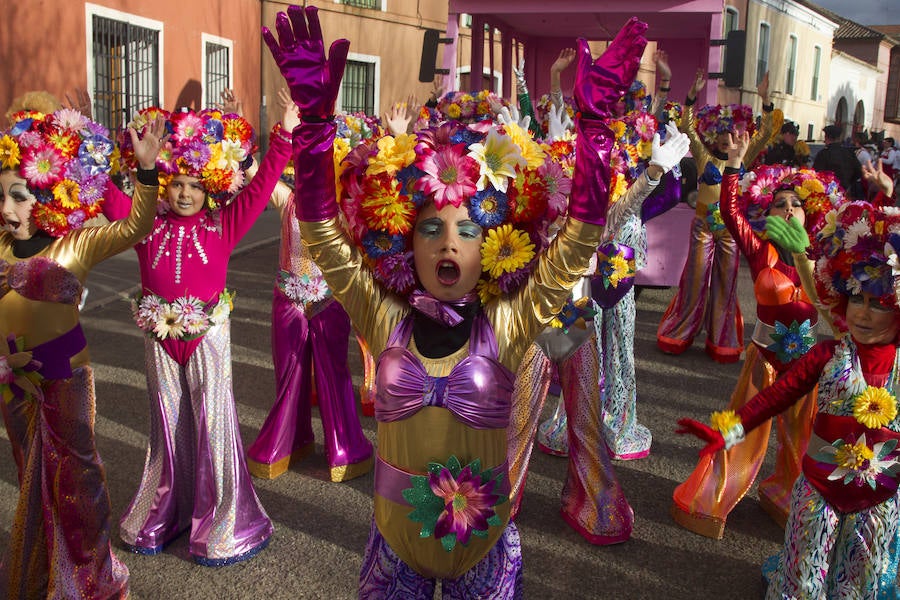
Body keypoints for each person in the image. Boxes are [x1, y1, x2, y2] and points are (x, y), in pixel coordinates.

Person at [263, 5, 647, 594]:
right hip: (394, 547)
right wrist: (314, 129)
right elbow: (319, 232)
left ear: (493, 239)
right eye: (431, 228)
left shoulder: (509, 323)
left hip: (484, 550)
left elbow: (577, 247)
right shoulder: (382, 315)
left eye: (468, 231)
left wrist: (593, 132)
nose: (448, 244)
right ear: (403, 238)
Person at [678, 198, 900, 598]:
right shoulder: (830, 354)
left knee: (860, 587)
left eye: (879, 304)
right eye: (858, 300)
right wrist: (728, 430)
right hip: (817, 491)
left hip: (879, 501)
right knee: (800, 582)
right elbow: (775, 396)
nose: (864, 314)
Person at [105, 103, 293, 566]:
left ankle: (224, 521)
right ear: (163, 183)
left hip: (208, 338)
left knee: (214, 426)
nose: (185, 193)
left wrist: (284, 138)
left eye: (195, 185)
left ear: (210, 188)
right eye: (177, 183)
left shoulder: (224, 224)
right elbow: (109, 198)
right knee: (167, 429)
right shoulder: (145, 225)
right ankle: (163, 514)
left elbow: (265, 184)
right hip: (159, 340)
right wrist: (103, 153)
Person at [0, 108, 164, 598]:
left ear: (48, 191)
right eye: (1, 196)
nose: (7, 208)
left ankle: (92, 576)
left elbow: (136, 226)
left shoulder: (77, 243)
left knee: (78, 482)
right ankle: (46, 568)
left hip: (64, 380)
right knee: (31, 476)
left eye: (19, 195)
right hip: (12, 383)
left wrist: (147, 171)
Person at [672, 131, 846, 538]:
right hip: (763, 361)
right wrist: (735, 164)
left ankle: (790, 498)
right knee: (738, 433)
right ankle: (706, 499)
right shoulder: (760, 250)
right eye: (780, 204)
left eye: (796, 205)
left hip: (807, 367)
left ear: (810, 214)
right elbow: (730, 213)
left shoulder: (823, 260)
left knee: (803, 442)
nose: (788, 210)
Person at [246, 98, 375, 482]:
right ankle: (291, 441)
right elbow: (255, 174)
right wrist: (269, 131)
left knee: (334, 377)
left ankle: (344, 448)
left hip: (329, 301)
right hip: (287, 299)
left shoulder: (343, 208)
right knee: (289, 375)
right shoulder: (286, 199)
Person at [657, 68, 774, 363]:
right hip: (702, 228)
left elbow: (768, 132)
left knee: (726, 283)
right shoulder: (703, 156)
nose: (727, 138)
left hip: (730, 230)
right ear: (714, 136)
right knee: (694, 281)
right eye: (722, 133)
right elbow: (686, 124)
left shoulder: (742, 158)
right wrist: (692, 95)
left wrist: (766, 100)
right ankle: (680, 332)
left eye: (732, 133)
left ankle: (722, 339)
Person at [814, 124, 862, 199]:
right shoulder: (849, 153)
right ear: (839, 138)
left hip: (827, 194)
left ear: (826, 137)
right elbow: (859, 172)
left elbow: (816, 174)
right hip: (845, 193)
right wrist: (849, 183)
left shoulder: (824, 154)